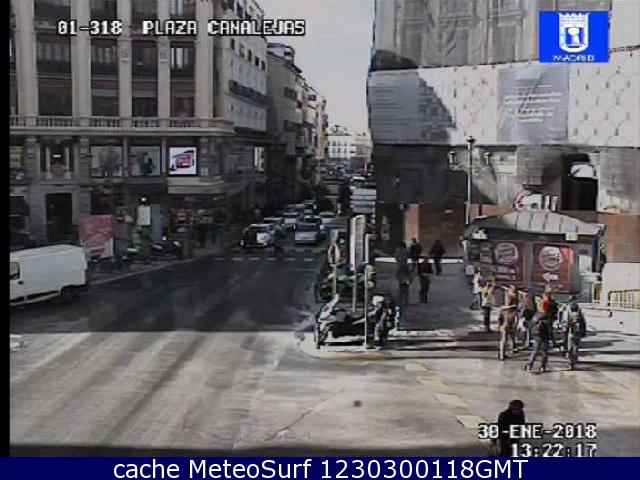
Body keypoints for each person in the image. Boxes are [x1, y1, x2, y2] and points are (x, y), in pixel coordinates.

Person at [525, 297, 553, 372]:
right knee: (545, 351)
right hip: (545, 334)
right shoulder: (548, 315)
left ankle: (530, 365)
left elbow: (531, 324)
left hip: (537, 334)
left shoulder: (537, 314)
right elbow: (549, 326)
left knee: (535, 350)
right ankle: (543, 366)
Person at [498, 286, 519, 360]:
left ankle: (502, 354)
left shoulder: (502, 309)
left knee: (504, 340)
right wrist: (515, 326)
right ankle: (512, 349)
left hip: (504, 325)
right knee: (511, 337)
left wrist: (499, 325)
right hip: (510, 325)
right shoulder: (514, 310)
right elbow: (516, 319)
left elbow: (499, 317)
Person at [566, 302, 587, 370]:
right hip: (578, 334)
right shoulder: (580, 316)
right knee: (576, 348)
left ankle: (570, 363)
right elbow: (584, 324)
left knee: (570, 348)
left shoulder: (570, 315)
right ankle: (574, 362)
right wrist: (583, 333)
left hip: (571, 333)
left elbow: (566, 324)